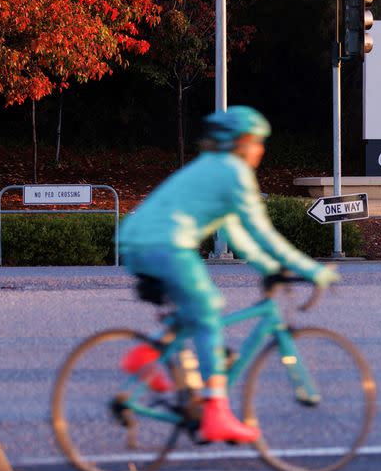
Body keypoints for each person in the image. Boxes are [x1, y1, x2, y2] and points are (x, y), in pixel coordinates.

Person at [118, 106, 340, 443]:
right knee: (207, 309)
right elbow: (262, 232)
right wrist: (310, 269)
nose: (262, 150)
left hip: (135, 242)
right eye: (258, 142)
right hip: (166, 245)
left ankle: (146, 356)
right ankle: (215, 414)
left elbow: (236, 233)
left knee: (192, 310)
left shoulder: (210, 167)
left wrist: (268, 268)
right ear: (242, 142)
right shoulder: (234, 173)